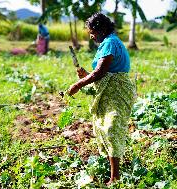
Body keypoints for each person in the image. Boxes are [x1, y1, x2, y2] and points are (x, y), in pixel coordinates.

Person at [67, 13, 136, 185]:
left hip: (116, 92)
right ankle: (113, 173)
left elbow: (100, 73)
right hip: (110, 91)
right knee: (105, 128)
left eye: (92, 32)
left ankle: (115, 178)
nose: (91, 35)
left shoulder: (111, 43)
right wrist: (86, 75)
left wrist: (79, 84)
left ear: (102, 29)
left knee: (111, 129)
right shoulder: (108, 43)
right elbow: (101, 72)